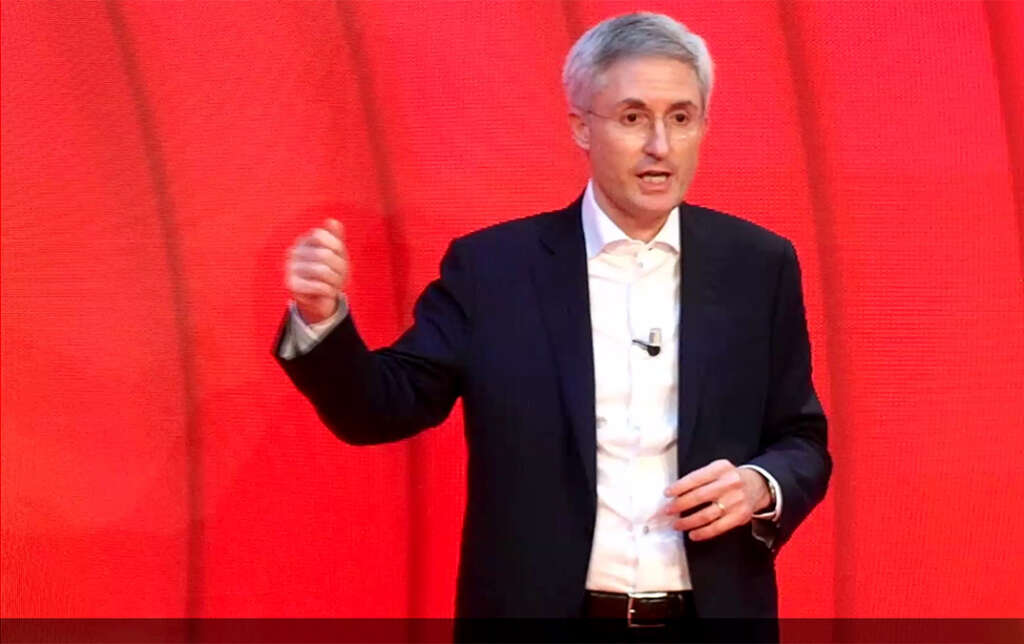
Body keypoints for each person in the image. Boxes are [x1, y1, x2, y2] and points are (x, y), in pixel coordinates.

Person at [275, 11, 830, 636]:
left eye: (681, 117)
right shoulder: (493, 269)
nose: (660, 145)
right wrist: (321, 319)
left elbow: (802, 441)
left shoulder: (758, 265)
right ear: (581, 128)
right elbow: (379, 408)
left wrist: (760, 485)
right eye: (632, 118)